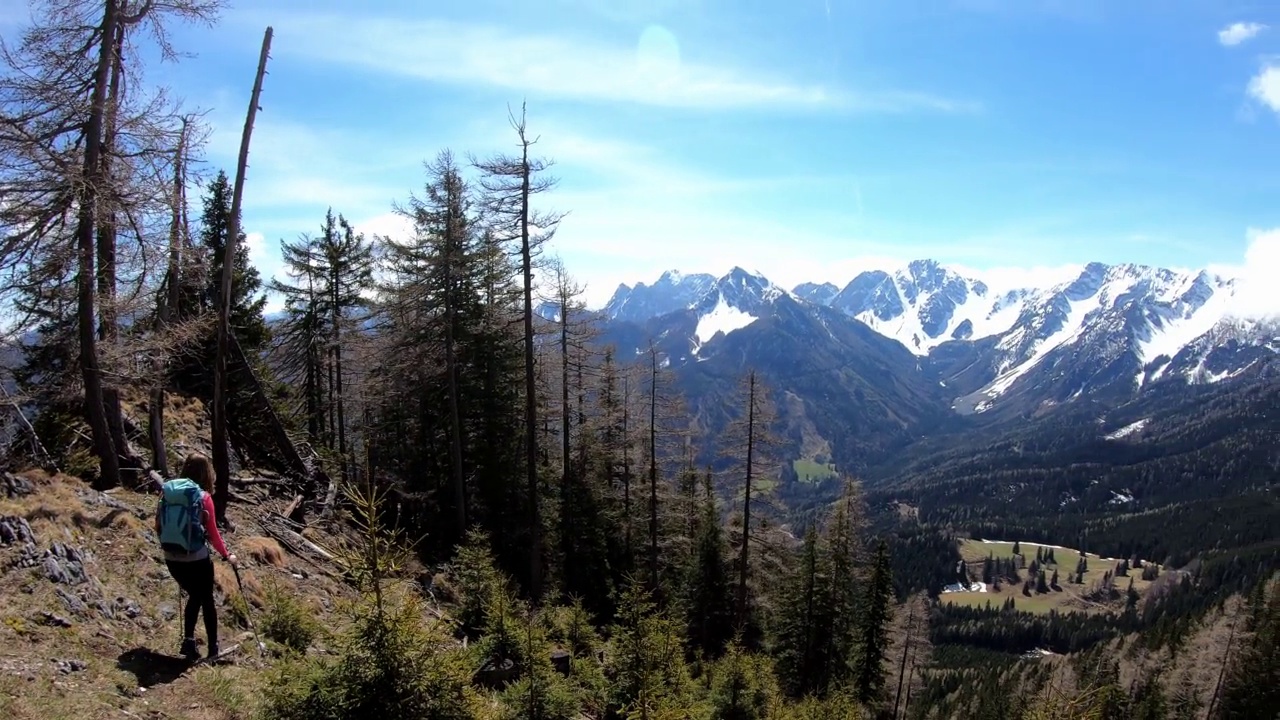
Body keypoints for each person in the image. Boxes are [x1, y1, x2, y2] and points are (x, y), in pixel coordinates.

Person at [154, 452, 237, 660]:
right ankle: (213, 649)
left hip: (172, 557)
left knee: (195, 595)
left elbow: (157, 525)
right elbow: (214, 534)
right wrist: (228, 556)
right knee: (206, 599)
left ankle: (189, 643)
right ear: (206, 472)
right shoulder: (203, 497)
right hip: (196, 558)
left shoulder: (167, 493)